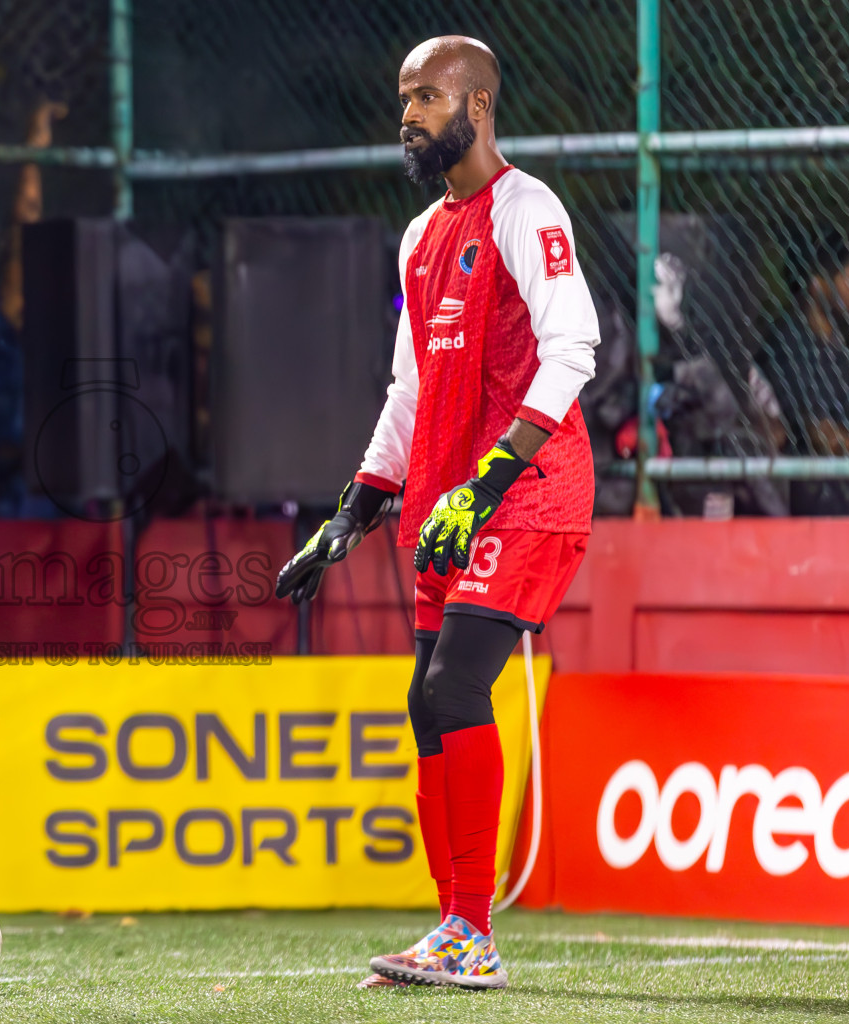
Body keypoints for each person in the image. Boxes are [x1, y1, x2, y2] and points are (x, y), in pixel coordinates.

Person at [276, 37, 598, 991]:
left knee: (454, 689)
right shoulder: (420, 237)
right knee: (426, 701)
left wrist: (490, 481)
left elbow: (574, 347)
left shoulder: (526, 208)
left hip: (527, 495)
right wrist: (357, 507)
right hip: (444, 510)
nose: (409, 112)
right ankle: (455, 928)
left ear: (481, 103)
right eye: (404, 97)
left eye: (428, 95)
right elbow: (408, 392)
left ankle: (470, 932)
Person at [0, 98, 66, 517]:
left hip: (67, 513)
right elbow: (24, 235)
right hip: (13, 502)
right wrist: (31, 156)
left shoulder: (77, 346)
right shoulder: (4, 346)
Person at [758, 231, 849, 515]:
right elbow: (823, 437)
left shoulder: (836, 343)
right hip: (813, 501)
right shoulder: (789, 343)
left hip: (848, 494)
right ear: (817, 284)